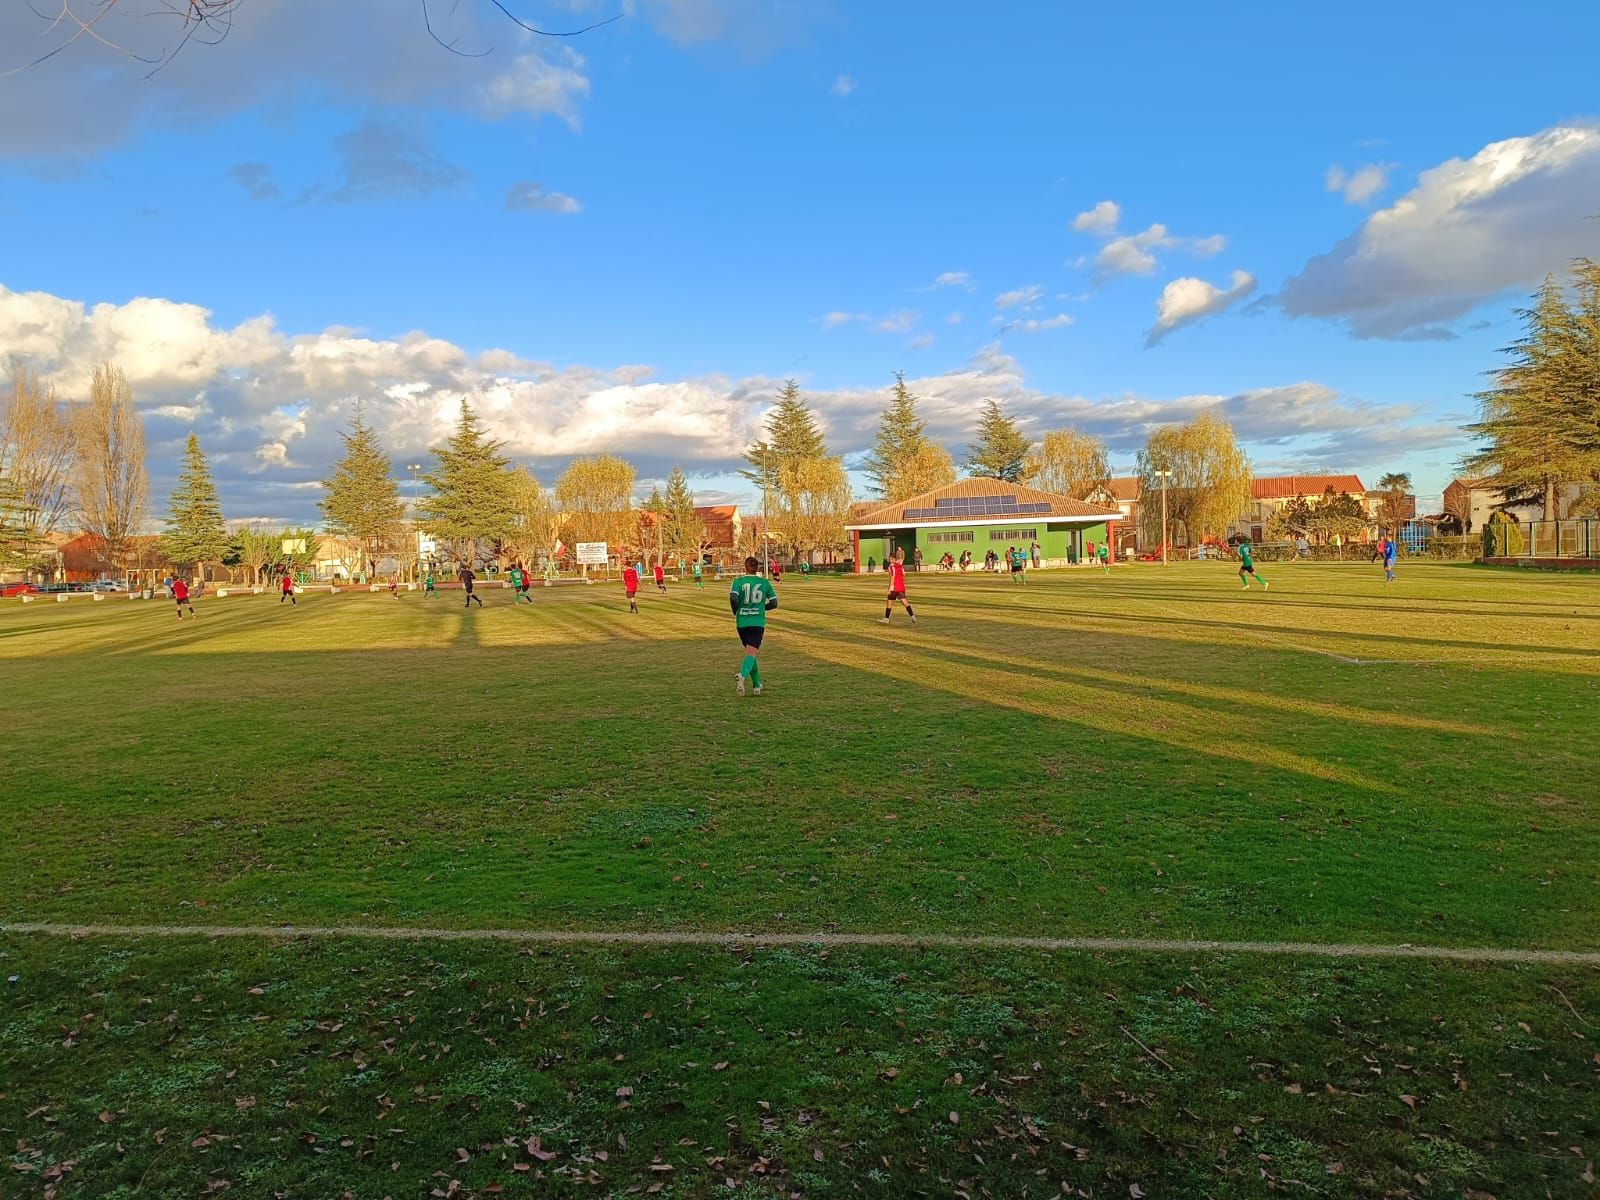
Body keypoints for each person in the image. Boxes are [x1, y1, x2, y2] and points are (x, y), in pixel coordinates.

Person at [730, 555, 778, 697]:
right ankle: (743, 675)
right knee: (751, 653)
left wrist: (735, 610)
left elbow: (733, 598)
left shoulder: (738, 582)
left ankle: (757, 685)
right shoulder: (764, 583)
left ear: (745, 567)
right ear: (757, 568)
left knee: (750, 653)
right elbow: (774, 603)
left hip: (742, 622)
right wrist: (761, 608)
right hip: (756, 622)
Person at [882, 549, 917, 625]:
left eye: (889, 558)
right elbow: (904, 574)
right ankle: (912, 616)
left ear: (891, 558)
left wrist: (889, 589)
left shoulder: (891, 567)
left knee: (889, 603)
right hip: (901, 587)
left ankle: (886, 619)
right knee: (905, 602)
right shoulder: (900, 566)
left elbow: (892, 578)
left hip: (894, 588)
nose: (889, 560)